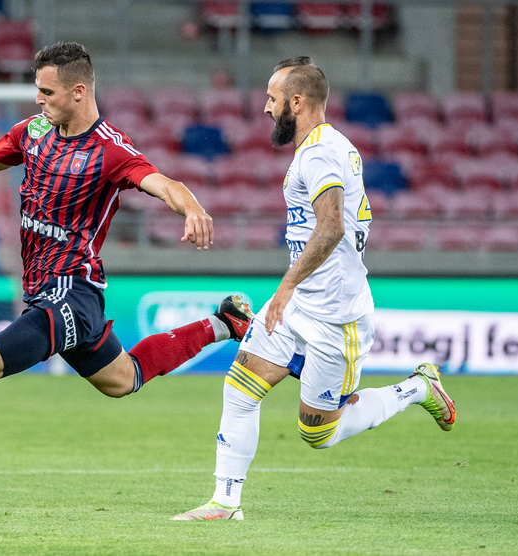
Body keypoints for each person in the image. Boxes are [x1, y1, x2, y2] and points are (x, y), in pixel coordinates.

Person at [0, 41, 256, 488]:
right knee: (123, 378)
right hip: (47, 293)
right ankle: (224, 323)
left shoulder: (111, 150)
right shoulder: (34, 131)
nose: (39, 99)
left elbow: (162, 183)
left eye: (47, 92)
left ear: (78, 91)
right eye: (38, 90)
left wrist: (192, 209)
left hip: (71, 291)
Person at [171, 57, 457, 521]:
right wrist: (290, 293)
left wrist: (285, 286)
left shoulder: (321, 152)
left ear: (297, 102)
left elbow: (331, 227)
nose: (266, 108)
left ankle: (418, 387)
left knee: (318, 434)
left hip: (335, 317)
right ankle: (225, 503)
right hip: (298, 303)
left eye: (272, 98)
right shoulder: (321, 147)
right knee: (240, 388)